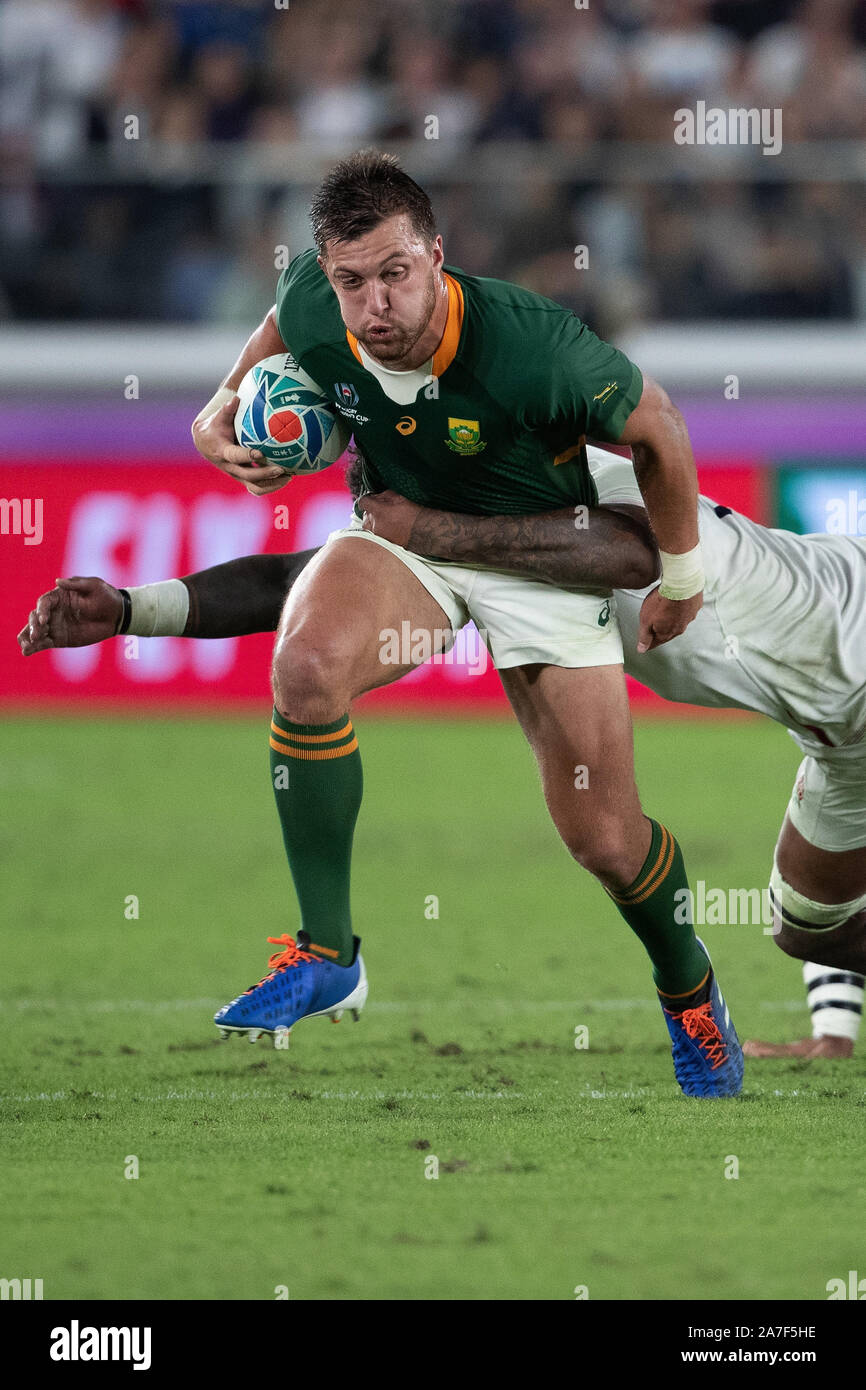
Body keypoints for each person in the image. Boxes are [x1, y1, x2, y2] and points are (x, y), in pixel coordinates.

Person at [29, 150, 743, 1097]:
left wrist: (683, 578)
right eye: (352, 281)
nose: (375, 307)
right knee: (308, 665)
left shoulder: (530, 345)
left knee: (605, 841)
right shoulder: (320, 307)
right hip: (407, 536)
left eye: (396, 274)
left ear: (436, 255)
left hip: (537, 554)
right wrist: (213, 415)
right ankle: (328, 950)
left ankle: (690, 989)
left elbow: (659, 427)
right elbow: (279, 328)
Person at [19, 445, 866, 1060]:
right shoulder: (460, 518)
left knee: (620, 839)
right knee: (806, 928)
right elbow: (302, 585)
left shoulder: (571, 493)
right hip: (834, 742)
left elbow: (631, 550)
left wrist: (435, 528)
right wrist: (136, 608)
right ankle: (835, 1032)